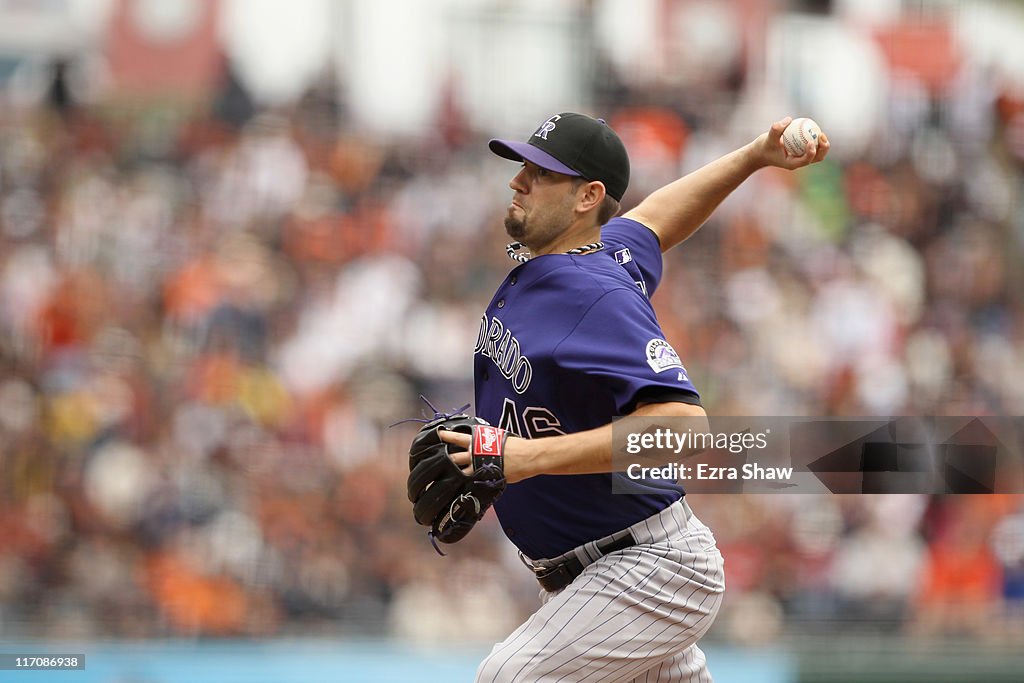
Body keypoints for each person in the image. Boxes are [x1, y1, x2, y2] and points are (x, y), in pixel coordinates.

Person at [440, 112, 829, 682]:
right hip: (592, 578)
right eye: (523, 166)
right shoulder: (598, 254)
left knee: (508, 677)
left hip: (646, 567)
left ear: (587, 197)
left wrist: (525, 459)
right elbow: (654, 219)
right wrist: (752, 156)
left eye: (541, 173)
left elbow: (685, 429)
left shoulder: (594, 294)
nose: (518, 181)